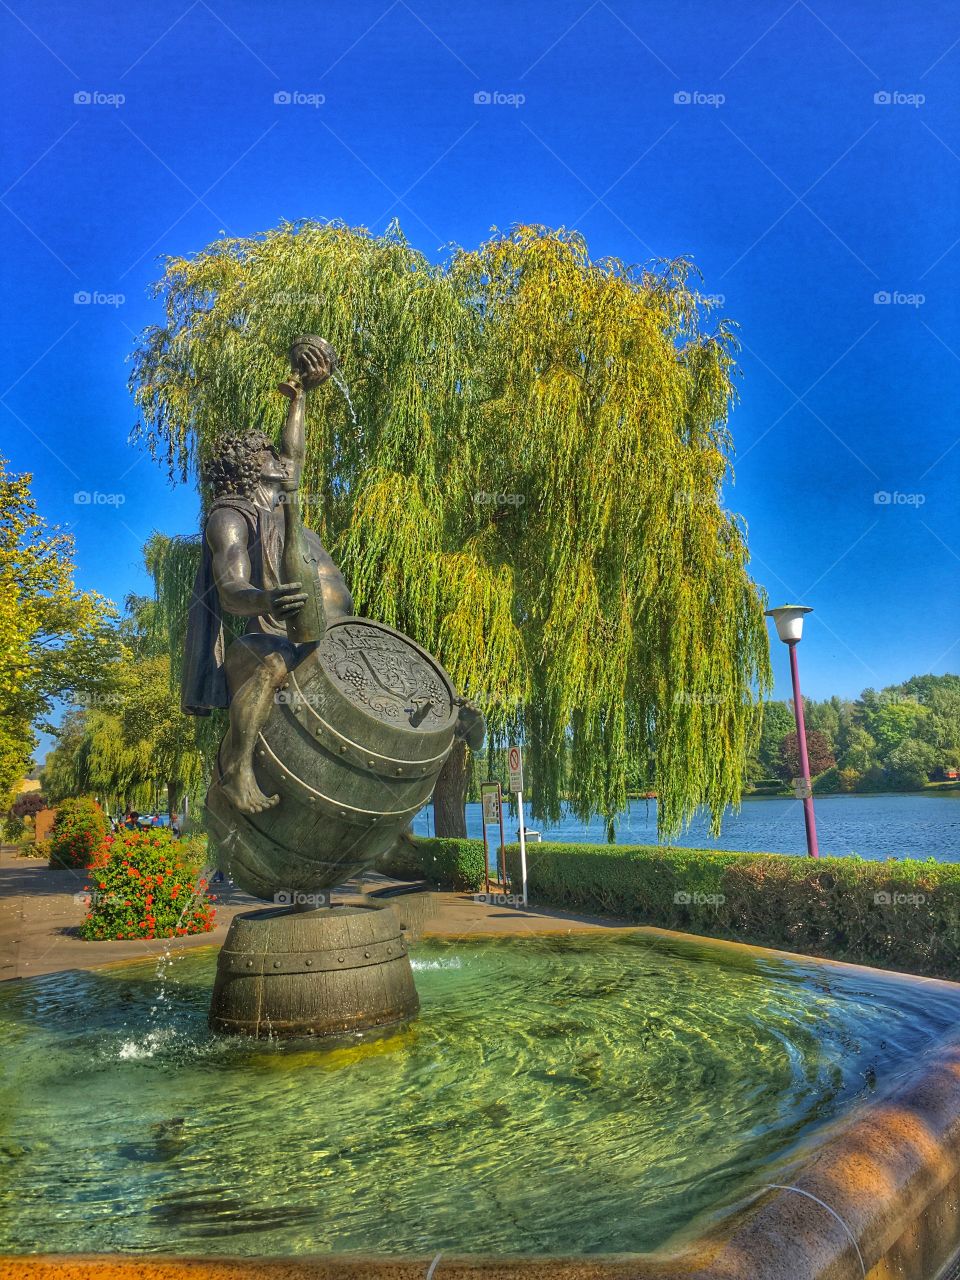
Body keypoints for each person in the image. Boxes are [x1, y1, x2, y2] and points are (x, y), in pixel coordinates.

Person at [181, 343, 353, 815]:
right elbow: (232, 591)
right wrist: (269, 600)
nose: (284, 459)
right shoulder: (229, 518)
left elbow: (295, 452)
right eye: (270, 455)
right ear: (249, 467)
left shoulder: (278, 503)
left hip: (324, 634)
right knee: (271, 662)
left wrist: (299, 399)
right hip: (270, 641)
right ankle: (237, 768)